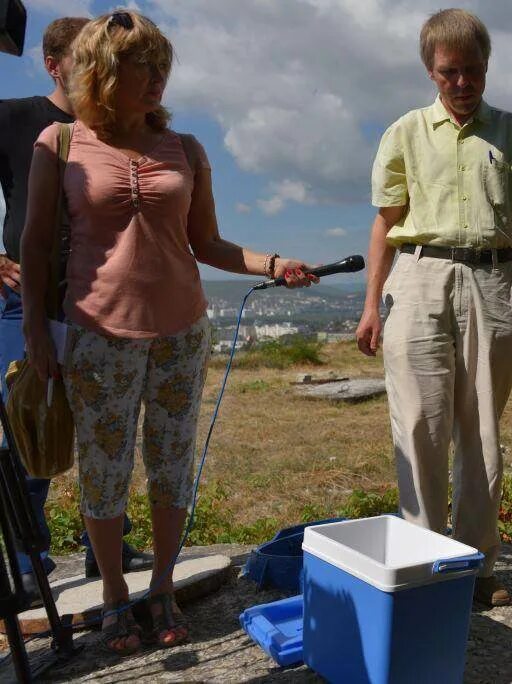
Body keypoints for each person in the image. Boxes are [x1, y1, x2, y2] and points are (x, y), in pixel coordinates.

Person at [20, 10, 318, 656]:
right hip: (98, 333)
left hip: (182, 331)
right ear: (102, 71)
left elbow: (205, 241)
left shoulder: (185, 149)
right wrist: (40, 336)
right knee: (104, 472)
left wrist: (272, 264)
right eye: (140, 66)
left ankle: (159, 586)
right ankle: (111, 597)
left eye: (162, 66)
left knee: (172, 465)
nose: (156, 78)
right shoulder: (61, 145)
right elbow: (36, 243)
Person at [356, 8, 512, 608]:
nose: (463, 83)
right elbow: (385, 224)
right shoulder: (403, 133)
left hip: (494, 282)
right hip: (418, 275)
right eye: (450, 72)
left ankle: (475, 567)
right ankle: (424, 566)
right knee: (419, 422)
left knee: (481, 428)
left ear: (486, 68)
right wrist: (371, 306)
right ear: (430, 71)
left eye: (473, 71)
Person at [0, 16, 153, 605]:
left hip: (99, 300)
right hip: (28, 301)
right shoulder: (15, 118)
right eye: (86, 58)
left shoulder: (114, 128)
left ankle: (106, 553)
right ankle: (28, 560)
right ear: (54, 64)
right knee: (30, 424)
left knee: (107, 427)